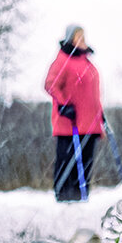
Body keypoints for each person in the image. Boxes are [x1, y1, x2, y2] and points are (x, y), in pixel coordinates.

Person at [44, 24, 104, 202]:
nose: (82, 41)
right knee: (68, 161)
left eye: (83, 37)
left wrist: (100, 116)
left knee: (85, 162)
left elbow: (92, 93)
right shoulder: (63, 59)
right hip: (70, 123)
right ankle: (64, 196)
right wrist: (63, 104)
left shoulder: (87, 62)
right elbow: (50, 84)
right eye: (78, 37)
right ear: (71, 39)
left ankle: (80, 196)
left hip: (90, 122)